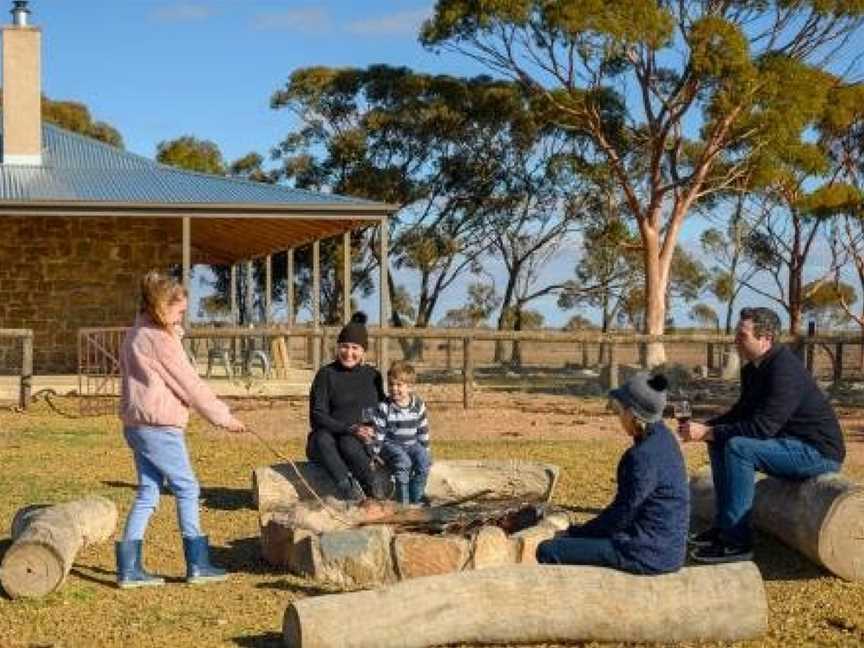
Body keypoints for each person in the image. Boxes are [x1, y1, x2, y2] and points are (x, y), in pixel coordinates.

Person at [681, 307, 845, 564]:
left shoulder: (784, 370)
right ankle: (726, 526)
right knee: (719, 440)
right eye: (737, 333)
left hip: (817, 453)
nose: (736, 339)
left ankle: (737, 543)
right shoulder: (754, 369)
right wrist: (705, 427)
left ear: (766, 338)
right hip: (788, 445)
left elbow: (762, 428)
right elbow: (741, 413)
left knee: (737, 446)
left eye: (742, 335)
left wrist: (710, 431)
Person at [117, 271, 246, 589]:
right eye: (179, 311)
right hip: (160, 427)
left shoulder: (137, 332)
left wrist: (174, 331)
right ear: (162, 307)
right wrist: (223, 417)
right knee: (188, 489)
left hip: (136, 425)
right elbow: (190, 384)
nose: (182, 316)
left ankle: (128, 568)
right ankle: (198, 564)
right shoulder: (160, 341)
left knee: (148, 492)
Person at [536, 373, 689, 575]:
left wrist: (577, 533)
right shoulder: (665, 438)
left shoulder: (642, 456)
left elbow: (622, 515)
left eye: (621, 411)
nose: (619, 417)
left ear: (634, 415)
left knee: (547, 549)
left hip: (646, 554)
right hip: (669, 549)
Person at [307, 311, 387, 500]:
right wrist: (350, 428)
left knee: (348, 444)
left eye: (354, 348)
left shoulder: (373, 376)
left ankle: (374, 490)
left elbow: (383, 409)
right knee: (323, 438)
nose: (348, 353)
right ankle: (349, 491)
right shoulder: (326, 374)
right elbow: (317, 415)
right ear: (338, 347)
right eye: (344, 346)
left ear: (363, 351)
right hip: (326, 442)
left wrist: (375, 429)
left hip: (357, 442)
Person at [371, 361, 432, 506]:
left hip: (412, 443)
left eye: (399, 385)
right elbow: (379, 433)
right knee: (404, 463)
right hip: (391, 444)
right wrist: (374, 454)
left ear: (410, 387)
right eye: (391, 384)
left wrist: (426, 450)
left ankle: (416, 497)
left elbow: (423, 429)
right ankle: (403, 503)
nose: (394, 389)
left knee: (424, 462)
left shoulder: (418, 405)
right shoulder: (384, 407)